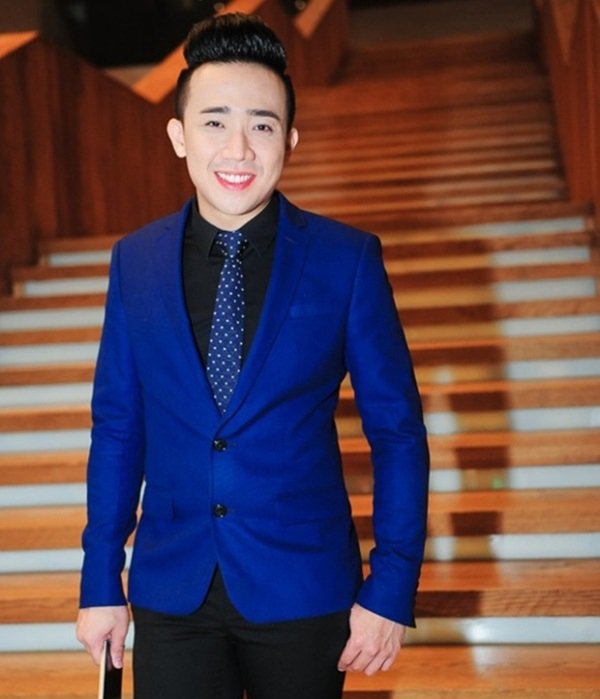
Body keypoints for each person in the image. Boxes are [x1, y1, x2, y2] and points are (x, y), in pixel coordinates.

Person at [76, 12, 429, 699]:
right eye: (214, 122)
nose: (238, 148)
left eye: (262, 126)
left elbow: (397, 432)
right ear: (179, 135)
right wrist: (100, 579)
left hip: (304, 586)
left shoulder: (346, 260)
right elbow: (118, 428)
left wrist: (391, 584)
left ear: (289, 139)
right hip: (172, 589)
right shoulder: (135, 261)